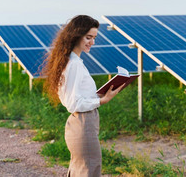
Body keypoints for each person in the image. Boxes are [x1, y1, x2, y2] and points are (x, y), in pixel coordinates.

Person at [42, 15, 124, 177]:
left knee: (82, 169)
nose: (92, 42)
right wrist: (102, 100)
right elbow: (73, 103)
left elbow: (77, 95)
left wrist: (97, 95)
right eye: (88, 37)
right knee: (89, 169)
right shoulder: (74, 65)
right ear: (76, 35)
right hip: (82, 123)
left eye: (94, 38)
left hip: (82, 123)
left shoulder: (72, 62)